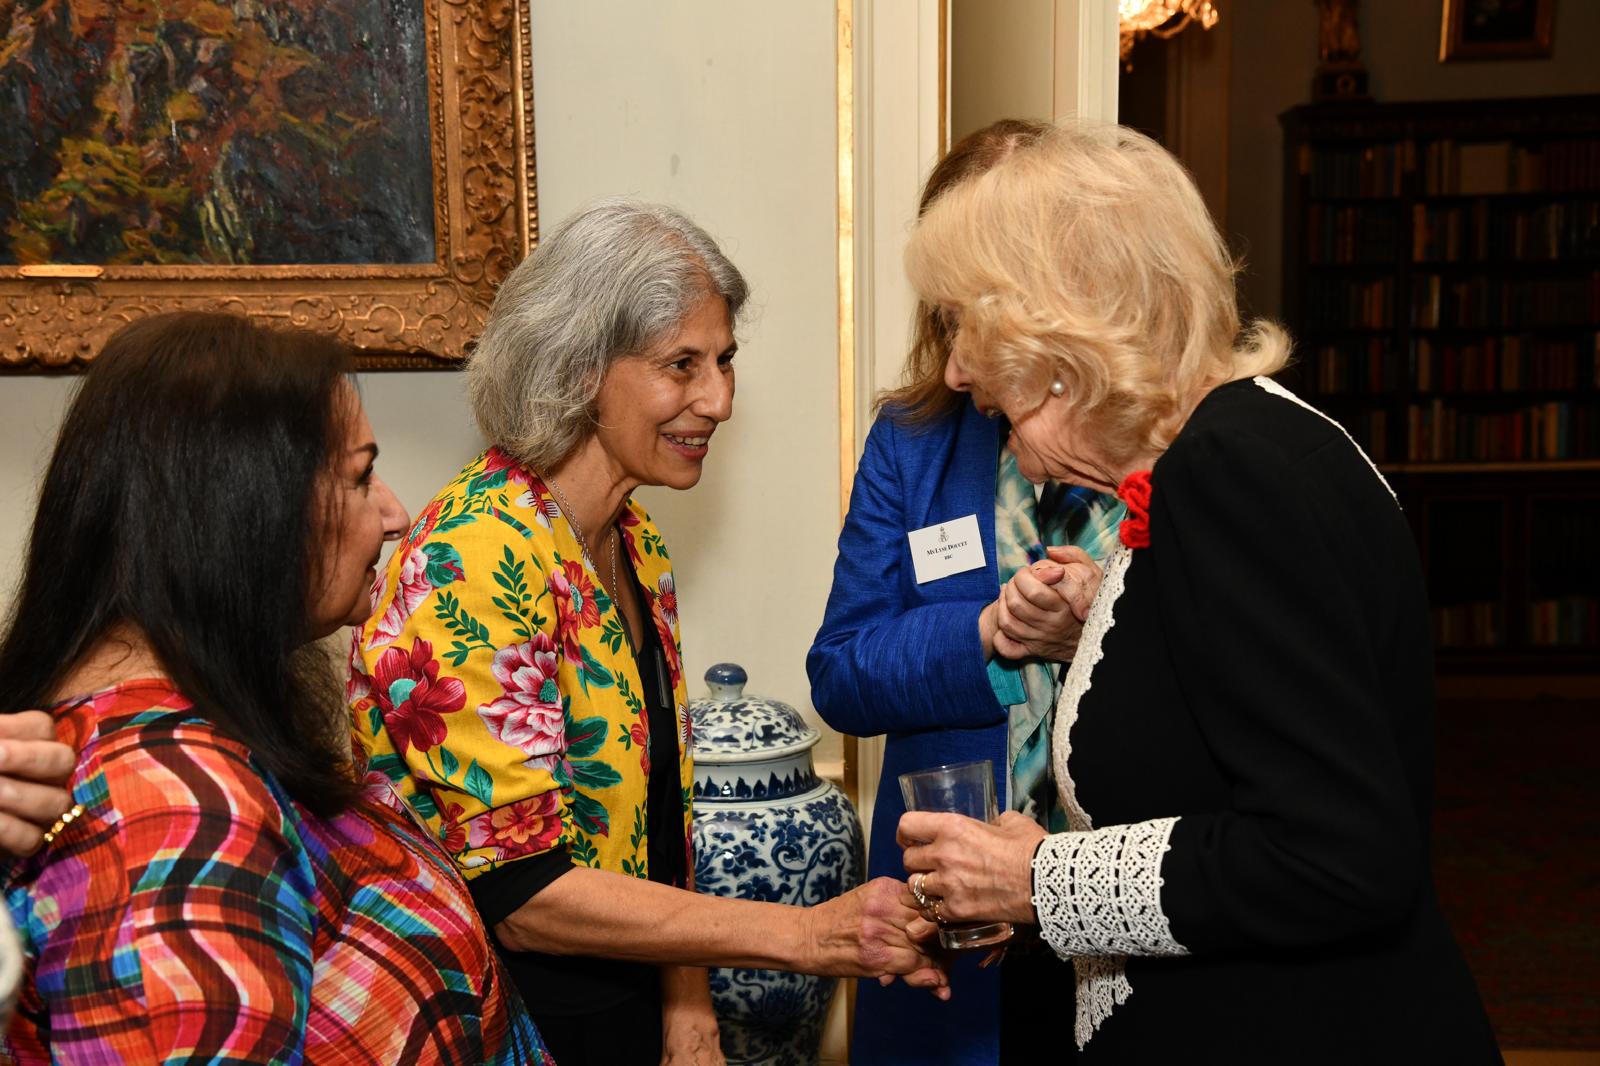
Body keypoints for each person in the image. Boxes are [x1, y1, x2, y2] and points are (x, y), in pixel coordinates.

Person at [894, 122, 1502, 1063]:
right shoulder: (1237, 443)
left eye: (967, 319)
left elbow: (1336, 858)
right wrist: (1102, 629)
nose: (956, 368)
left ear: (1055, 330)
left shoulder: (1228, 474)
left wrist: (1040, 878)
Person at [351, 198, 943, 1065]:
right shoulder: (475, 555)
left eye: (726, 361)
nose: (720, 399)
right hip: (501, 1021)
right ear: (579, 367)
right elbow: (526, 895)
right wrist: (813, 937)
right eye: (682, 365)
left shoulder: (635, 542)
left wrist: (687, 1000)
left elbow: (662, 816)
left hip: (621, 1004)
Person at [0, 312, 552, 1062]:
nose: (394, 514)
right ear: (246, 514)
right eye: (359, 476)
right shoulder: (175, 811)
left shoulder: (192, 717)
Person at [807, 120, 1121, 1066]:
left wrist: (1105, 624)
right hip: (954, 923)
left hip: (1122, 904)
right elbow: (842, 674)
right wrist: (986, 633)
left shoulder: (1169, 433)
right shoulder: (916, 441)